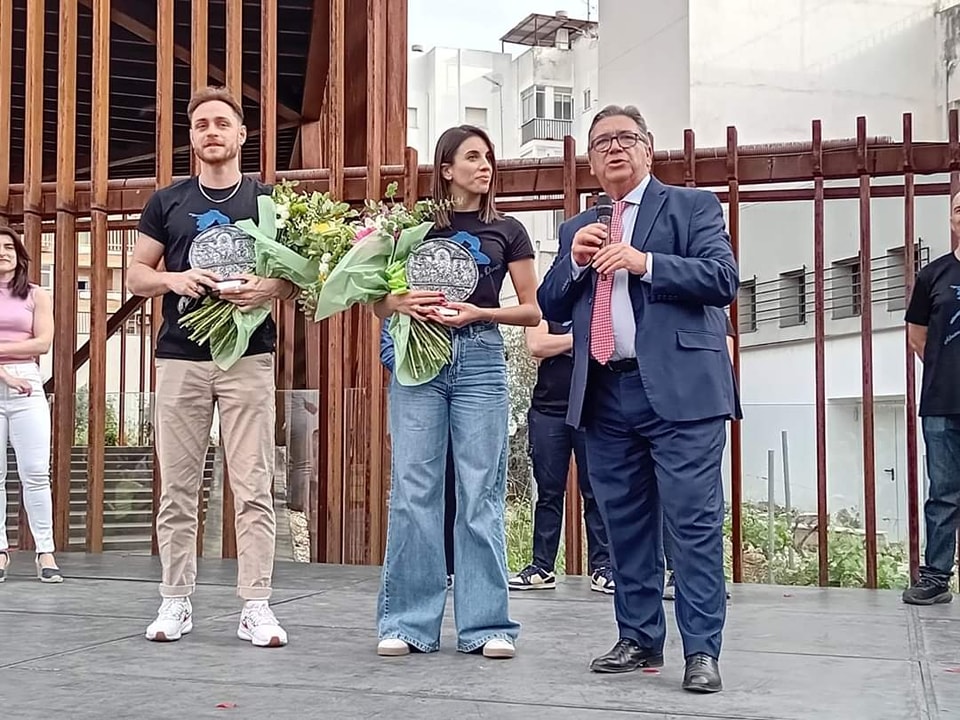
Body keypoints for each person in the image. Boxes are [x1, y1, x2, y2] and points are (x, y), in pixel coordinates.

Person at [538, 104, 739, 693]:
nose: (614, 149)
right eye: (602, 143)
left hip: (681, 394)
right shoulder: (578, 227)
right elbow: (550, 306)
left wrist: (645, 262)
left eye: (626, 139)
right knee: (625, 526)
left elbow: (722, 279)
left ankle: (701, 651)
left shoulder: (691, 207)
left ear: (649, 149)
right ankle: (639, 638)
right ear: (592, 161)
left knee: (692, 524)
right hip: (605, 390)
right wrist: (575, 267)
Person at [127, 87, 299, 647]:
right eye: (200, 125)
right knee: (177, 488)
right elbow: (135, 275)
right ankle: (174, 600)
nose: (211, 132)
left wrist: (267, 287)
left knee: (252, 485)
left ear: (242, 134)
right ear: (193, 137)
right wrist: (173, 279)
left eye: (221, 123)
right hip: (180, 357)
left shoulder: (270, 201)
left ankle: (257, 606)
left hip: (249, 357)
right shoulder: (167, 201)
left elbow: (300, 278)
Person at [373, 124, 541, 660]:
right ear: (446, 169)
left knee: (480, 492)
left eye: (489, 157)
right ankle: (407, 623)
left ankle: (487, 625)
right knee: (415, 488)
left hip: (480, 357)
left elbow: (532, 310)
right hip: (418, 357)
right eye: (473, 157)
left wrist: (482, 311)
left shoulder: (508, 230)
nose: (485, 165)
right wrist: (397, 304)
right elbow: (378, 300)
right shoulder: (412, 228)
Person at [508, 319, 614, 594]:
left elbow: (609, 343)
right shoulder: (547, 301)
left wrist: (563, 343)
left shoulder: (594, 301)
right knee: (548, 493)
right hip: (547, 411)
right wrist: (582, 339)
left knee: (596, 492)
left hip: (592, 409)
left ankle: (602, 568)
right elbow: (537, 344)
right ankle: (542, 567)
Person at [901, 195, 960, 606]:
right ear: (951, 219)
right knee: (943, 492)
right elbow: (916, 335)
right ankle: (936, 577)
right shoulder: (933, 274)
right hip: (941, 402)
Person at [0, 224, 60, 584]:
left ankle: (45, 551)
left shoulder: (38, 294)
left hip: (27, 383)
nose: (2, 252)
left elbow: (42, 344)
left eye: (8, 246)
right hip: (9, 376)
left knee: (36, 472)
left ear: (19, 254)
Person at [663, 315, 736, 601]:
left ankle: (707, 577)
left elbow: (724, 356)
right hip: (660, 407)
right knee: (664, 502)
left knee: (701, 504)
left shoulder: (712, 307)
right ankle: (675, 572)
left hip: (698, 410)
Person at [379, 322, 456, 588]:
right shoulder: (404, 304)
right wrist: (421, 362)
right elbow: (388, 351)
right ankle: (426, 574)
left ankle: (452, 565)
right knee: (418, 489)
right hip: (419, 390)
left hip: (462, 396)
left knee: (459, 488)